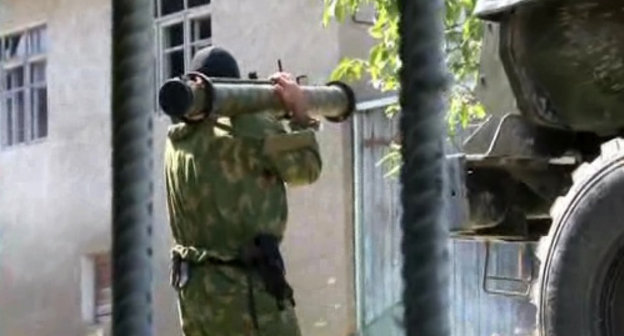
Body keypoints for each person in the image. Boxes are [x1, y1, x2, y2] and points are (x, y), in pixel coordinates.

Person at [163, 46, 322, 336]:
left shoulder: (177, 140)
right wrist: (299, 113)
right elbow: (306, 169)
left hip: (194, 296)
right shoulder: (248, 126)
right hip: (244, 296)